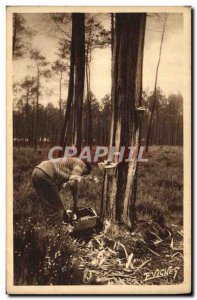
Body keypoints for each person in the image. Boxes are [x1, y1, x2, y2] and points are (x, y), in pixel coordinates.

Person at [32, 156, 92, 228]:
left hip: (36, 172)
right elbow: (73, 183)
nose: (81, 175)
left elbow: (57, 189)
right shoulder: (81, 164)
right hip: (46, 173)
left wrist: (61, 206)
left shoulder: (67, 167)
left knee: (49, 206)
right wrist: (75, 202)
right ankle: (55, 232)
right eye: (83, 174)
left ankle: (49, 232)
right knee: (56, 210)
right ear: (86, 168)